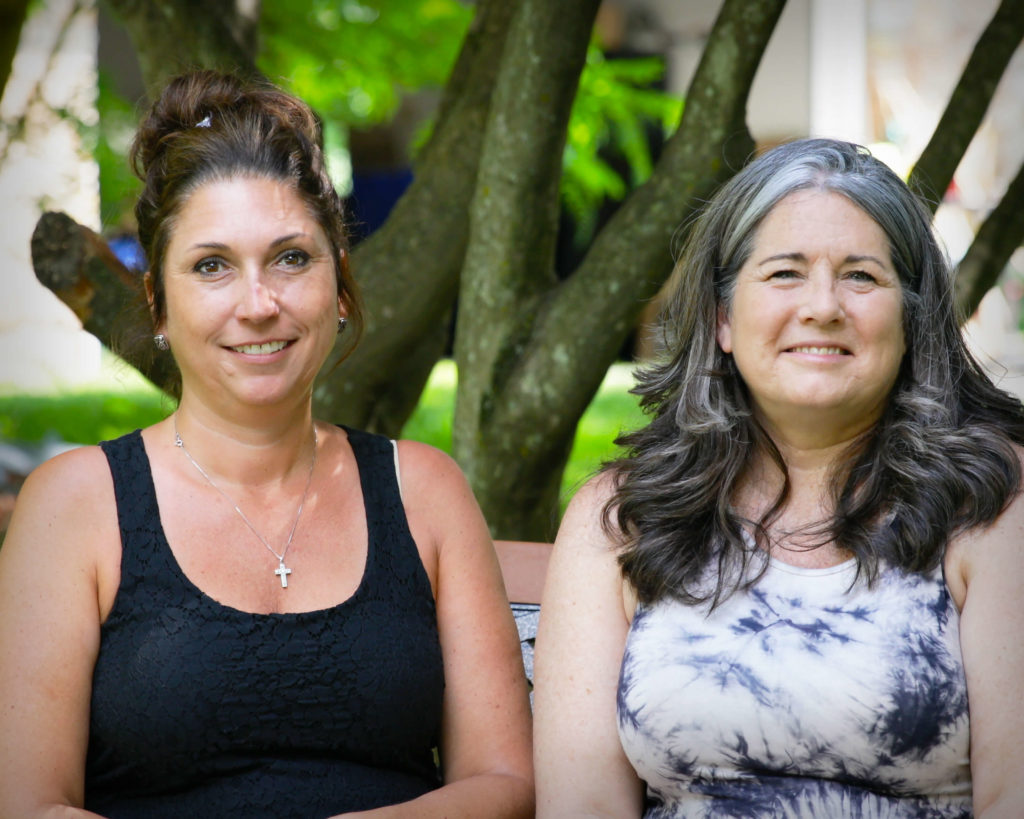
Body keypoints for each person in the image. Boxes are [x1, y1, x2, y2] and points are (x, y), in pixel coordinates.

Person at [0, 70, 533, 818]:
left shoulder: (425, 492)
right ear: (157, 300)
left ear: (339, 286)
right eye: (211, 265)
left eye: (291, 257)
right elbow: (28, 805)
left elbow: (504, 781)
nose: (259, 304)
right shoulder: (76, 504)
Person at [533, 138, 1024, 817]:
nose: (823, 306)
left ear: (911, 319)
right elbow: (580, 806)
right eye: (785, 273)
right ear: (722, 316)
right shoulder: (621, 520)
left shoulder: (994, 505)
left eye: (861, 276)